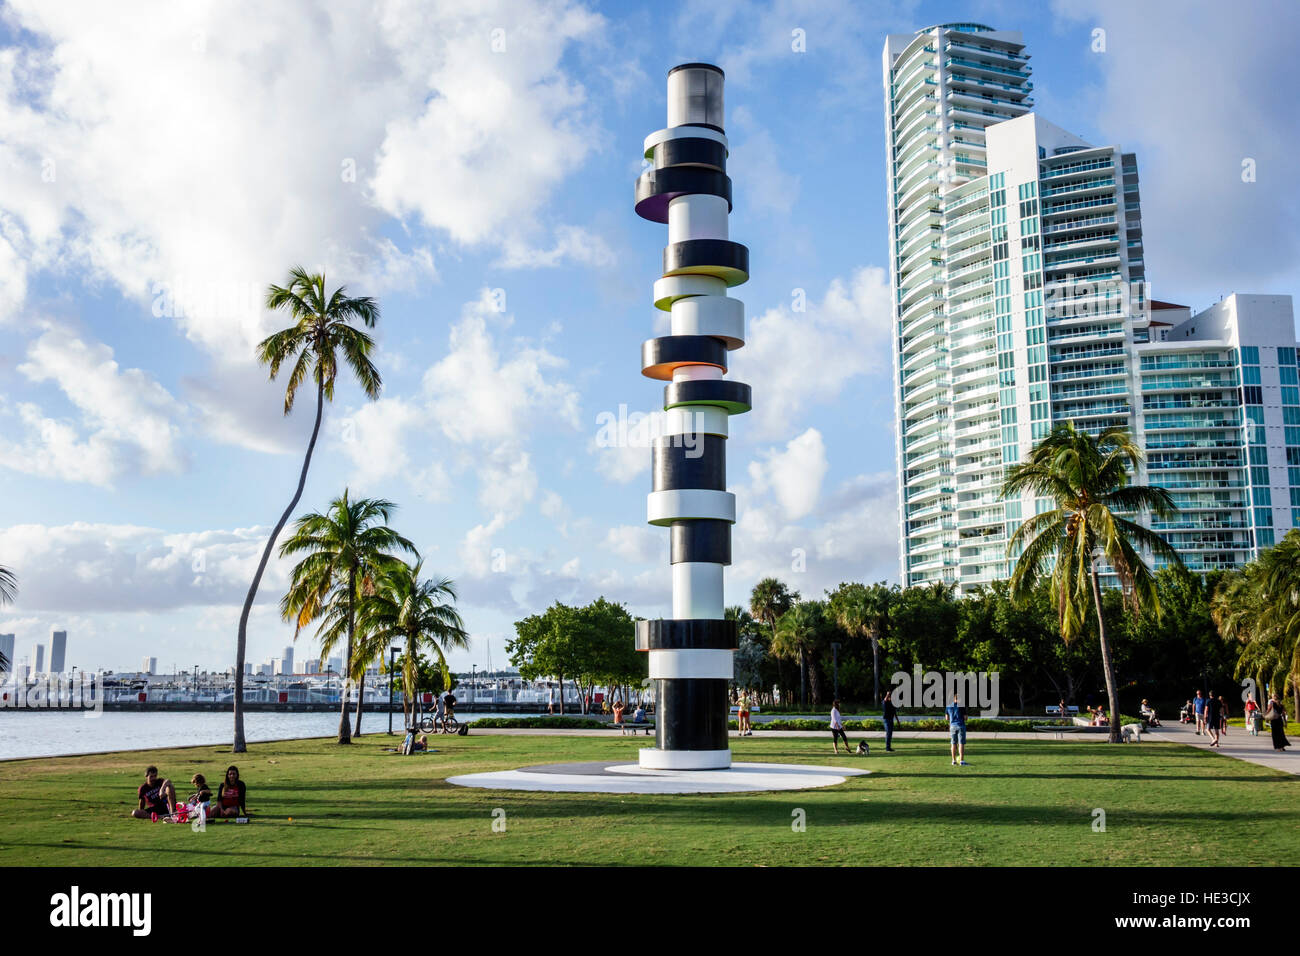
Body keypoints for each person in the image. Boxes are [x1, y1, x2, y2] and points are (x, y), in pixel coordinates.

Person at [946, 693, 968, 766]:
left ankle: (953, 760)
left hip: (952, 726)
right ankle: (961, 761)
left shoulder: (948, 706)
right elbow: (965, 718)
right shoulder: (962, 706)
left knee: (953, 743)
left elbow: (947, 718)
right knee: (961, 743)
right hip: (961, 725)